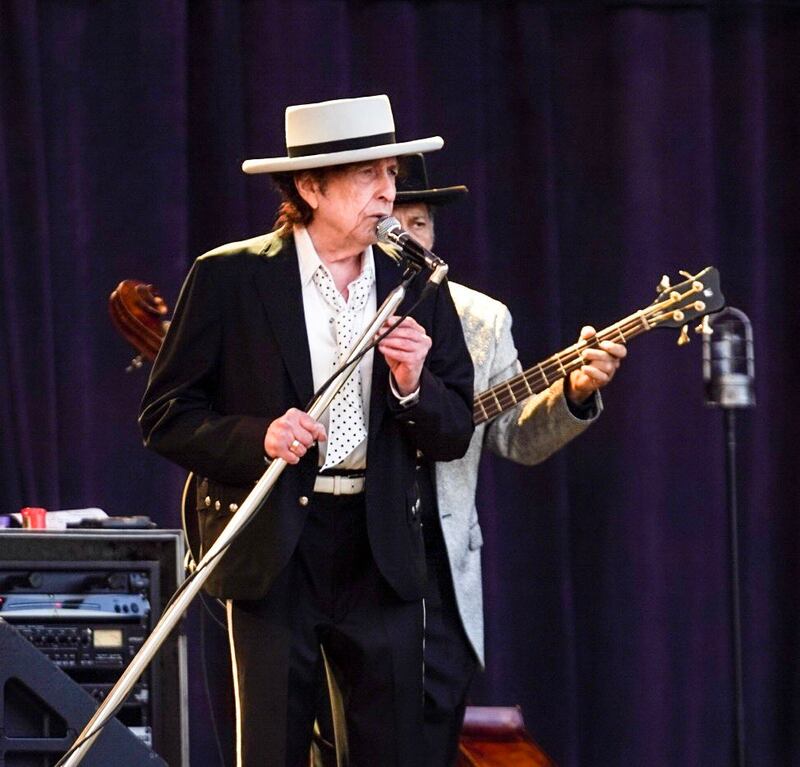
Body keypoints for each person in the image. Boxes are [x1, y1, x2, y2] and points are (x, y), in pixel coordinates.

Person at [139, 96, 475, 767]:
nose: (388, 190)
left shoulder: (417, 283)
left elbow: (455, 427)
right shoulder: (230, 277)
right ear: (310, 185)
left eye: (391, 171)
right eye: (368, 174)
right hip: (276, 546)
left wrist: (412, 384)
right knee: (270, 748)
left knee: (394, 749)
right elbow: (167, 416)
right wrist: (258, 435)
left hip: (378, 545)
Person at [392, 154, 627, 766]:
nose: (409, 238)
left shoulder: (480, 318)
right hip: (346, 567)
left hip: (439, 575)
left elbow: (513, 437)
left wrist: (573, 392)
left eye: (419, 223)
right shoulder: (328, 312)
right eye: (394, 223)